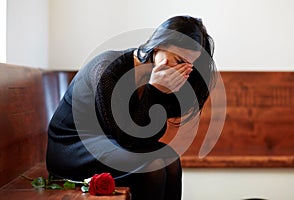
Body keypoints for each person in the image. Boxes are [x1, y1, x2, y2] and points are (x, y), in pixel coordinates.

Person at [46, 15, 216, 200]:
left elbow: (149, 136)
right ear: (159, 46)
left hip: (112, 142)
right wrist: (155, 91)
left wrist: (161, 92)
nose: (181, 70)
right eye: (178, 60)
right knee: (152, 166)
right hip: (74, 146)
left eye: (189, 65)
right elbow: (127, 139)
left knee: (170, 158)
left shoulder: (160, 75)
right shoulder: (108, 68)